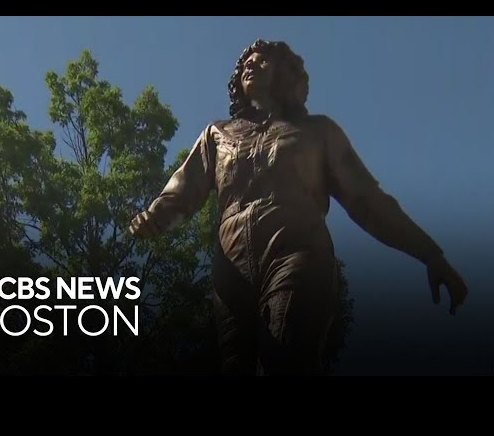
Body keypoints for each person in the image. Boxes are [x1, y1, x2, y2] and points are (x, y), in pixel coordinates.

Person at [129, 38, 468, 375]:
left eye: (262, 60)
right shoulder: (217, 134)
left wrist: (429, 253)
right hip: (231, 268)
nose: (250, 64)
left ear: (285, 73)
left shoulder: (317, 131)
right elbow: (183, 189)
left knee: (285, 361)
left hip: (296, 254)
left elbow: (367, 200)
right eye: (246, 62)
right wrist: (155, 216)